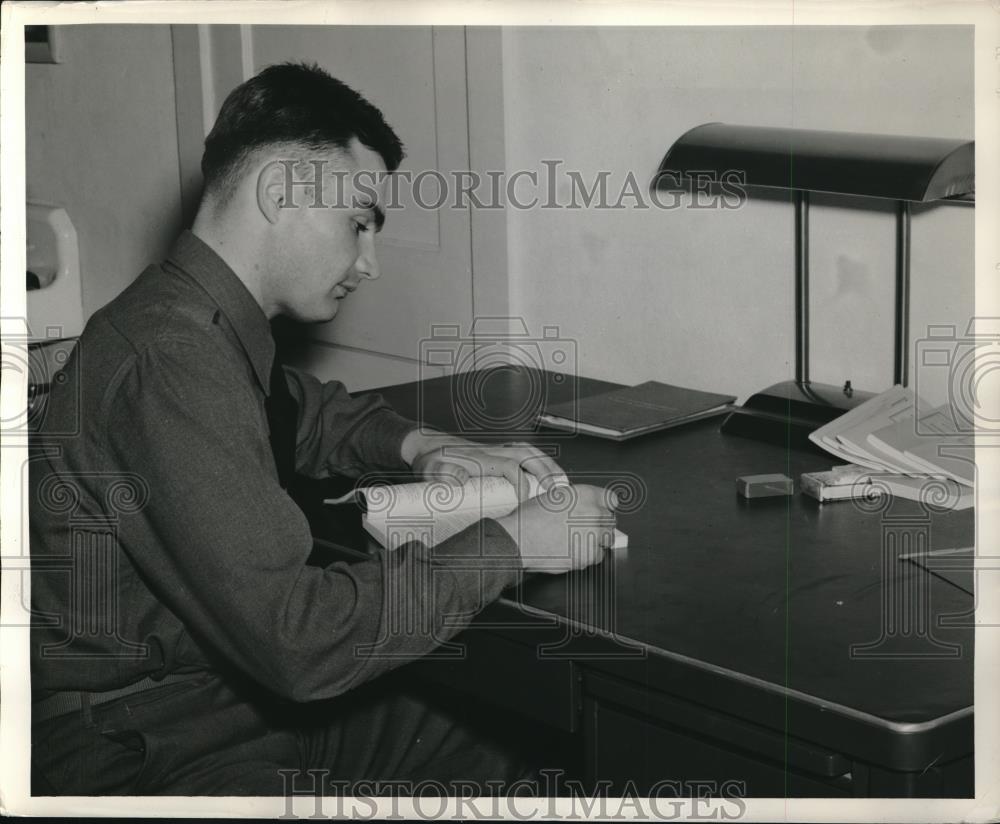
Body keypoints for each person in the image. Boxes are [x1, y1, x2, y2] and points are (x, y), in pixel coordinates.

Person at [29, 62, 617, 796]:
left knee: (511, 751)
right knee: (525, 754)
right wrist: (514, 542)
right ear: (279, 192)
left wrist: (421, 444)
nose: (368, 262)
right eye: (359, 221)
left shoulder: (192, 320)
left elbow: (296, 410)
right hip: (145, 744)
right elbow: (300, 642)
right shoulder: (171, 360)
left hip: (205, 700)